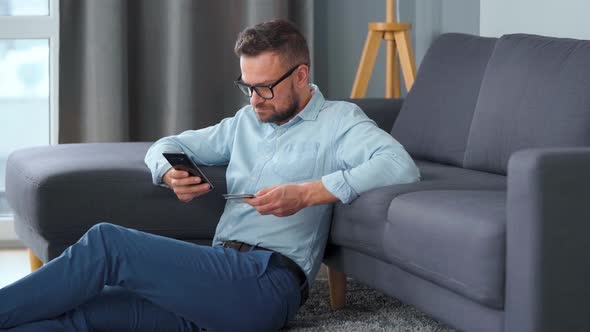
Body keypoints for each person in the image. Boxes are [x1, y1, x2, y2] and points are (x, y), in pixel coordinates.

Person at [0, 19, 419, 332]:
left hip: (266, 283)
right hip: (215, 278)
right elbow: (166, 144)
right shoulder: (244, 122)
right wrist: (167, 173)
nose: (255, 100)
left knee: (108, 243)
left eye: (265, 88)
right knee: (76, 317)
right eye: (247, 86)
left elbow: (399, 165)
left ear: (302, 76)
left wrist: (309, 193)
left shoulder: (338, 121)